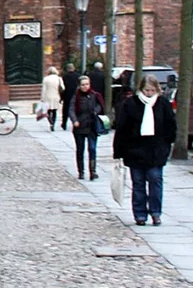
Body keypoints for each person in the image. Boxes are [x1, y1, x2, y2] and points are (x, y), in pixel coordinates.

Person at [113, 75, 178, 225]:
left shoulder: (163, 104)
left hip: (156, 150)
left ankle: (155, 212)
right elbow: (122, 128)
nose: (149, 93)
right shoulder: (131, 104)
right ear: (141, 89)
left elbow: (171, 126)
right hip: (135, 150)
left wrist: (167, 144)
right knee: (138, 184)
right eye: (146, 90)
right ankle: (140, 214)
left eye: (152, 90)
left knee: (155, 180)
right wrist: (119, 151)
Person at [70, 74, 105, 180]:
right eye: (83, 85)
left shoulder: (94, 95)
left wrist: (96, 110)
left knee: (92, 148)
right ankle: (81, 171)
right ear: (79, 86)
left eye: (87, 84)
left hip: (91, 125)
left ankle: (93, 171)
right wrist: (74, 120)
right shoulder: (76, 96)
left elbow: (100, 105)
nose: (85, 86)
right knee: (80, 149)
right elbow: (71, 109)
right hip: (80, 126)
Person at [60, 64, 78, 132]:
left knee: (65, 110)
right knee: (75, 109)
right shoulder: (77, 76)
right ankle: (75, 122)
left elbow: (62, 88)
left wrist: (61, 97)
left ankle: (64, 123)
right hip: (75, 95)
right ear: (74, 68)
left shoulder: (65, 76)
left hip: (67, 95)